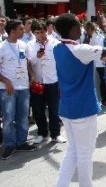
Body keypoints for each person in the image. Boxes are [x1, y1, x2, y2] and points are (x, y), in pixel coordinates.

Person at [53, 13, 106, 187]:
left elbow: (86, 51)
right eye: (79, 25)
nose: (81, 28)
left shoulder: (57, 48)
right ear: (74, 29)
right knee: (85, 154)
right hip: (82, 109)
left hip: (67, 108)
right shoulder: (79, 49)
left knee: (73, 151)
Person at [0, 19, 37, 160]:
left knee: (23, 117)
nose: (24, 31)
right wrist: (6, 81)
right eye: (21, 29)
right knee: (8, 118)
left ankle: (21, 142)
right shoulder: (2, 47)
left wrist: (32, 74)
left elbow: (26, 61)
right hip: (7, 89)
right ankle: (9, 145)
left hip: (24, 87)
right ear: (13, 31)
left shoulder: (23, 45)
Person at [27, 21, 65, 144]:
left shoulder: (55, 43)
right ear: (33, 33)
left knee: (54, 109)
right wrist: (36, 57)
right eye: (37, 32)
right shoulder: (30, 45)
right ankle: (41, 133)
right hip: (38, 82)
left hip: (52, 80)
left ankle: (55, 134)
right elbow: (28, 63)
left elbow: (61, 62)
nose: (40, 35)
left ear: (46, 31)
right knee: (38, 109)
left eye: (42, 32)